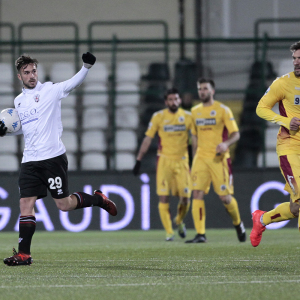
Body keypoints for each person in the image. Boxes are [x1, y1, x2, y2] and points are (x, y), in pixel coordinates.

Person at [0, 53, 117, 266]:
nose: (32, 75)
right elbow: (25, 128)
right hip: (30, 161)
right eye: (26, 73)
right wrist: (5, 132)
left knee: (63, 205)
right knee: (25, 203)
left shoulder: (51, 90)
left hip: (53, 159)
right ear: (19, 77)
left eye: (34, 71)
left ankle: (98, 199)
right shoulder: (19, 101)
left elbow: (73, 83)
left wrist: (86, 67)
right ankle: (24, 254)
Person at [250, 41, 300, 247]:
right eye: (295, 59)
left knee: (296, 208)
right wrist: (286, 121)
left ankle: (261, 220)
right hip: (289, 147)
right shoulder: (283, 83)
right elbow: (261, 108)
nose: (296, 62)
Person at [186, 78, 246, 243]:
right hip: (201, 159)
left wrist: (225, 144)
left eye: (205, 88)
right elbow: (194, 136)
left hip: (218, 159)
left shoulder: (223, 110)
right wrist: (194, 160)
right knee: (196, 193)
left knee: (225, 198)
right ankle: (200, 234)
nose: (202, 91)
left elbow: (236, 134)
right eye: (200, 89)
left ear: (212, 91)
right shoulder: (195, 111)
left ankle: (238, 223)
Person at [133, 88, 192, 241]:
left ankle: (179, 221)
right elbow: (147, 139)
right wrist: (139, 160)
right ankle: (169, 232)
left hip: (182, 161)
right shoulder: (158, 117)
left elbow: (196, 138)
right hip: (164, 161)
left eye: (176, 99)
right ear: (166, 102)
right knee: (164, 197)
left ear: (179, 100)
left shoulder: (188, 117)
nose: (174, 102)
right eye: (171, 99)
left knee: (185, 198)